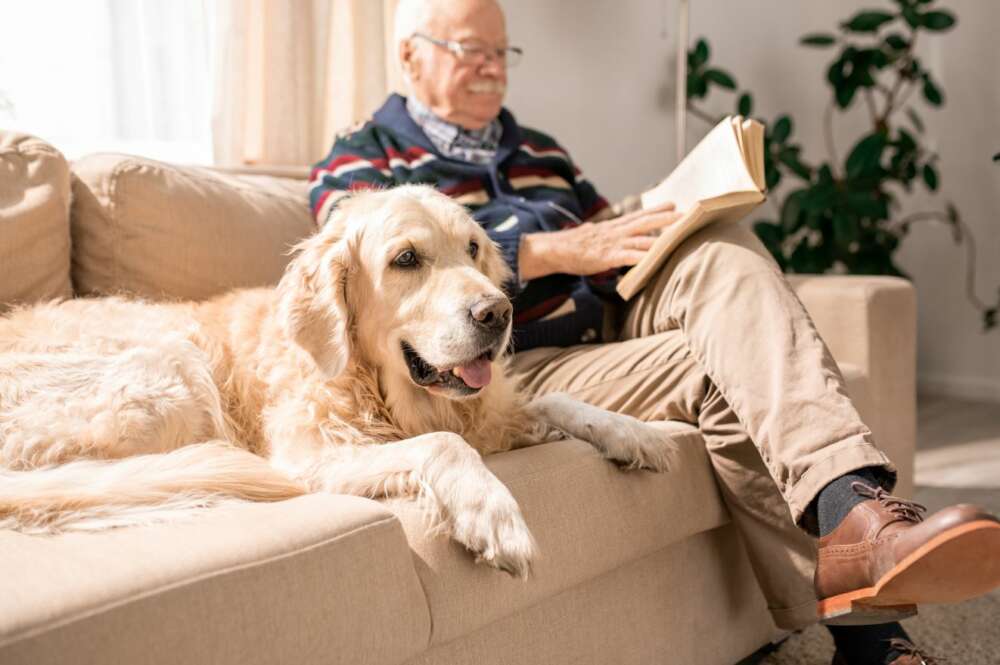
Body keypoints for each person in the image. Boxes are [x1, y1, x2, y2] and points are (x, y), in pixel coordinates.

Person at [307, 1, 1000, 662]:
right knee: (722, 375)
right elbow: (351, 244)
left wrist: (671, 223)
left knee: (725, 251)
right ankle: (869, 642)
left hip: (611, 315)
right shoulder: (365, 154)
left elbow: (611, 241)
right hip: (530, 359)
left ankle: (855, 510)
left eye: (501, 50)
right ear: (410, 55)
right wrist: (552, 250)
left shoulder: (541, 150)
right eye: (470, 49)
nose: (491, 65)